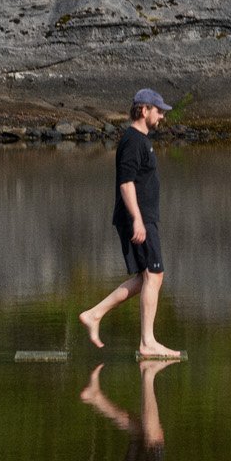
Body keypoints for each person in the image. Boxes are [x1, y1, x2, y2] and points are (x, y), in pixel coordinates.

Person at [78, 89, 179, 358]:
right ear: (144, 110)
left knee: (147, 277)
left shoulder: (140, 140)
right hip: (139, 219)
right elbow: (126, 182)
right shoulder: (133, 141)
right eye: (158, 111)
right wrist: (137, 220)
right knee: (154, 275)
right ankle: (147, 343)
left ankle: (94, 314)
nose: (161, 117)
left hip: (144, 218)